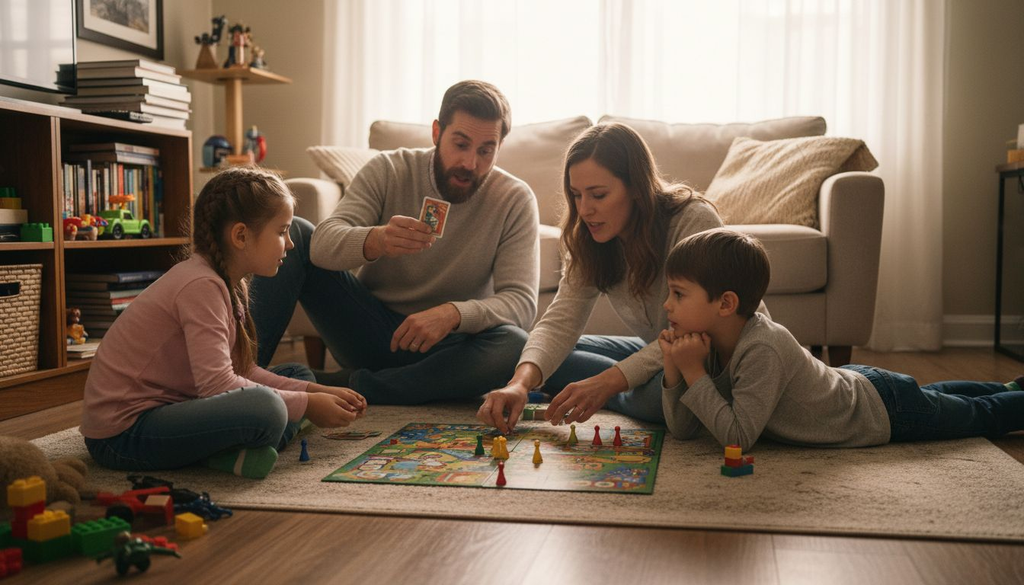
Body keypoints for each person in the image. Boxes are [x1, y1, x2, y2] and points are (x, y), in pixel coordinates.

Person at [250, 80, 539, 405]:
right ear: (436, 133)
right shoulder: (389, 169)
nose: (470, 163)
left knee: (513, 343)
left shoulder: (515, 199)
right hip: (372, 331)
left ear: (500, 147)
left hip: (447, 347)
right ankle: (242, 376)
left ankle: (351, 385)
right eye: (461, 144)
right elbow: (321, 245)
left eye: (486, 150)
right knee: (300, 234)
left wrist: (451, 315)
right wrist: (376, 240)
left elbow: (521, 304)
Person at [80, 167, 367, 479]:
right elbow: (217, 385)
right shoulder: (200, 285)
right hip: (122, 435)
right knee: (267, 410)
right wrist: (308, 404)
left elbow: (241, 371)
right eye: (282, 231)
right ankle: (227, 452)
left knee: (298, 373)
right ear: (241, 235)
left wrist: (314, 390)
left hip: (174, 405)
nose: (290, 244)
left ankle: (234, 450)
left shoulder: (225, 281)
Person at [659, 228, 1024, 450]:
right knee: (934, 396)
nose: (667, 304)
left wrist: (693, 372)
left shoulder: (762, 347)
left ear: (725, 303)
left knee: (976, 415)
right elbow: (683, 430)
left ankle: (1012, 397)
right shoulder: (703, 343)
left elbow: (737, 439)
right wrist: (675, 370)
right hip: (864, 386)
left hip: (881, 412)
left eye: (678, 294)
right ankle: (1010, 385)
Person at [478, 122, 724, 434]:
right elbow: (560, 322)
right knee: (532, 355)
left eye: (598, 195)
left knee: (660, 400)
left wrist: (605, 384)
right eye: (576, 195)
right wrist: (519, 386)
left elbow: (695, 329)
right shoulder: (588, 237)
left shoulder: (692, 220)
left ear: (636, 187)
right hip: (655, 349)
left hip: (708, 357)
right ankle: (616, 385)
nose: (585, 210)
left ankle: (618, 392)